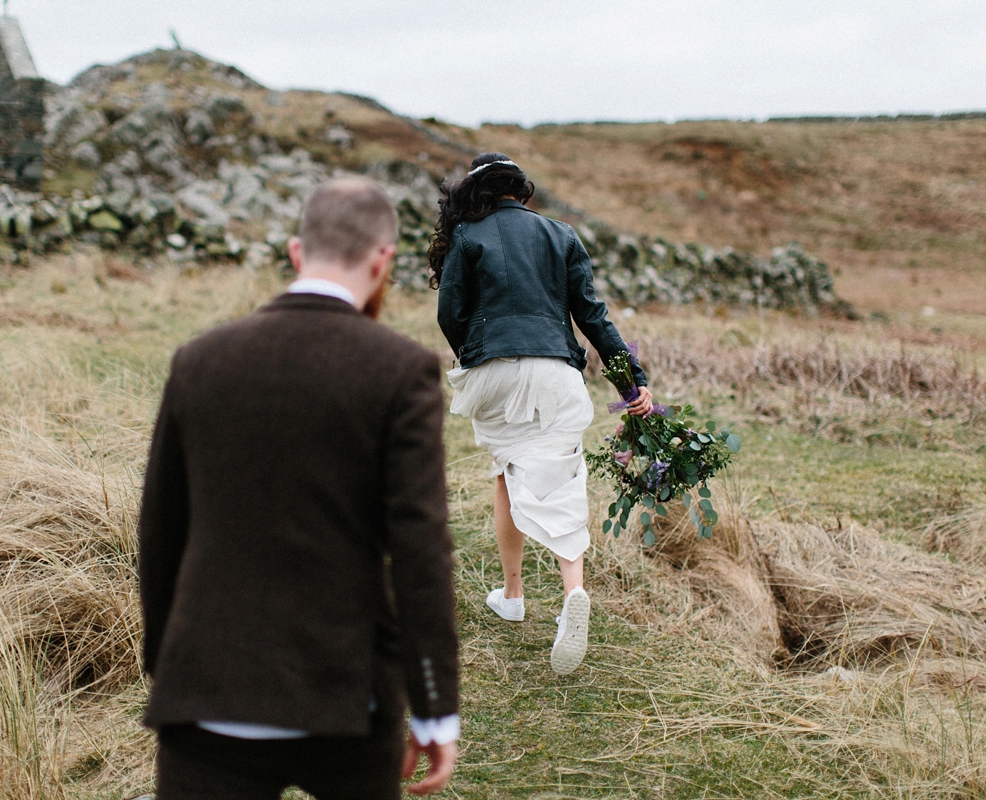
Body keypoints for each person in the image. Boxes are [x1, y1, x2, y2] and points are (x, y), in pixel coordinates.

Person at [139, 177, 460, 800]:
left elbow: (160, 533)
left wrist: (169, 668)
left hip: (206, 691)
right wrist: (433, 707)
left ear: (296, 252)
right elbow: (421, 552)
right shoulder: (399, 370)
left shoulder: (198, 360)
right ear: (383, 260)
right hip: (344, 697)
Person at [430, 153, 654, 675]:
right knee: (561, 478)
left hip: (493, 371)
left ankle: (512, 595)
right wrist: (632, 383)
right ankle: (572, 591)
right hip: (557, 369)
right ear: (519, 189)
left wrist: (476, 353)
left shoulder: (467, 235)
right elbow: (593, 318)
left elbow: (449, 313)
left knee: (509, 468)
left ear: (478, 192)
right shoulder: (562, 236)